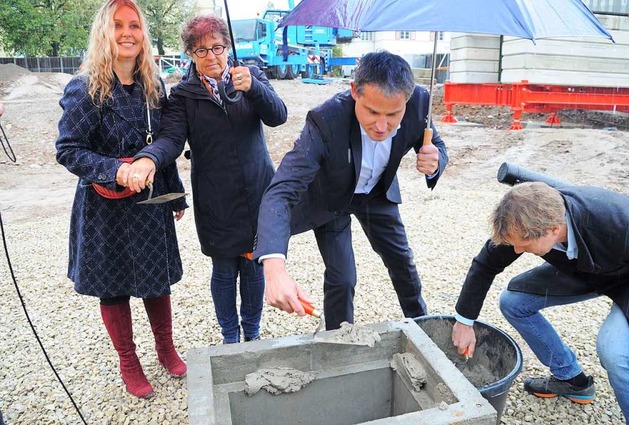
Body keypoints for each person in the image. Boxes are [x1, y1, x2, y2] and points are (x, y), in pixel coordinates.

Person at [254, 51, 448, 330]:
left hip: (377, 194)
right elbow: (281, 191)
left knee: (403, 263)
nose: (382, 126)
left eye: (393, 115)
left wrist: (435, 160)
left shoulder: (420, 103)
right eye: (372, 112)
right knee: (342, 279)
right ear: (355, 91)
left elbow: (437, 147)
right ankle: (340, 340)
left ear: (406, 99)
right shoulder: (325, 119)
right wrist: (274, 268)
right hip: (332, 198)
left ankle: (422, 326)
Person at [126, 14, 287, 344]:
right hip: (215, 195)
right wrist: (149, 157)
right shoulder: (183, 95)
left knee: (254, 263)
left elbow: (278, 116)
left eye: (217, 47)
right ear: (190, 55)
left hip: (258, 188)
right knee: (225, 268)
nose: (212, 56)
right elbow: (171, 139)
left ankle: (252, 332)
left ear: (228, 46)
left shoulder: (250, 76)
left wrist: (254, 88)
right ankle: (230, 336)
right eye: (201, 51)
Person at [55, 0, 188, 399]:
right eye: (117, 25)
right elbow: (68, 149)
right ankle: (128, 360)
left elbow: (162, 144)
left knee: (156, 279)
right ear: (104, 32)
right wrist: (115, 169)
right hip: (104, 206)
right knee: (113, 286)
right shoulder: (83, 88)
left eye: (134, 25)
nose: (127, 32)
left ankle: (165, 348)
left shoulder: (153, 85)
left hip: (149, 202)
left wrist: (175, 194)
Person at [451, 181, 629, 423]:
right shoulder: (524, 223)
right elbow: (485, 264)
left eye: (524, 245)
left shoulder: (626, 223)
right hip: (583, 271)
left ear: (553, 229)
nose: (516, 250)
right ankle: (570, 379)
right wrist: (464, 321)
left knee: (615, 352)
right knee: (513, 302)